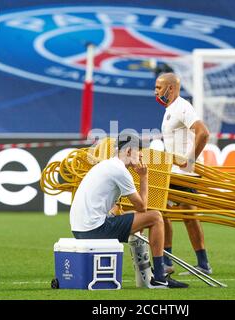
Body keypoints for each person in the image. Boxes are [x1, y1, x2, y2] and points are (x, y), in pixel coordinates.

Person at [69, 133, 188, 289]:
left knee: (135, 218)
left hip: (80, 229)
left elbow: (114, 208)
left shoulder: (107, 165)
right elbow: (142, 207)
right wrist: (144, 177)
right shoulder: (120, 171)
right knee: (156, 217)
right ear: (128, 151)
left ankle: (150, 273)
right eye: (139, 152)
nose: (140, 156)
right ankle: (159, 277)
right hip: (93, 229)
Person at [154, 72, 213, 275]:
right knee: (187, 215)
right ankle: (203, 264)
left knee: (159, 212)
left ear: (170, 88)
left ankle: (166, 262)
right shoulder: (171, 109)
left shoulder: (182, 107)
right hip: (178, 173)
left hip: (183, 174)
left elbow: (203, 132)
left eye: (158, 87)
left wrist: (190, 160)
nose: (155, 92)